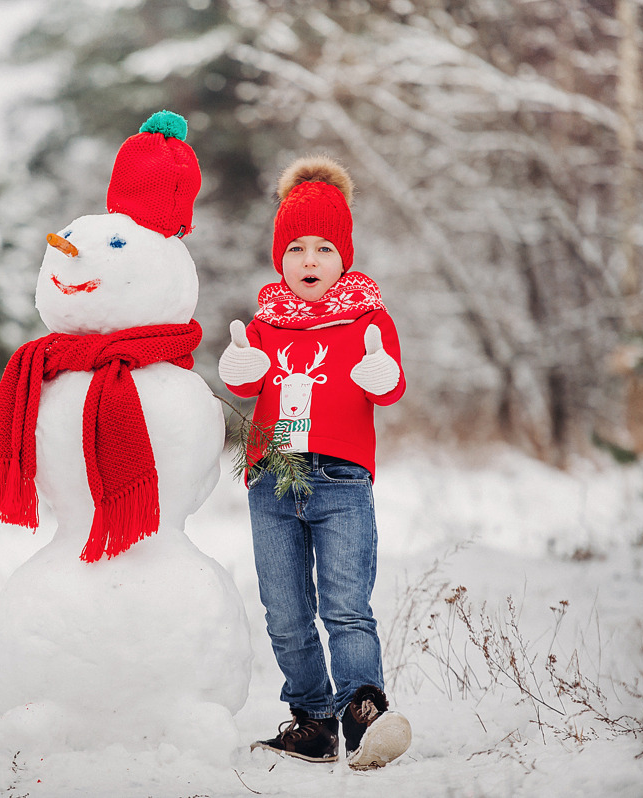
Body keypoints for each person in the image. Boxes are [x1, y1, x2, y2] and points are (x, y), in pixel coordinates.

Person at [218, 155, 411, 770]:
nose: (309, 261)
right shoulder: (267, 324)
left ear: (343, 256)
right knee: (285, 613)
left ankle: (363, 711)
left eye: (324, 249)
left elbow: (389, 388)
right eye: (297, 248)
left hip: (343, 480)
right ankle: (312, 721)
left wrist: (382, 376)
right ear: (281, 256)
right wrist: (240, 371)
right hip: (272, 481)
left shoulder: (369, 321)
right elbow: (247, 385)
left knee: (346, 606)